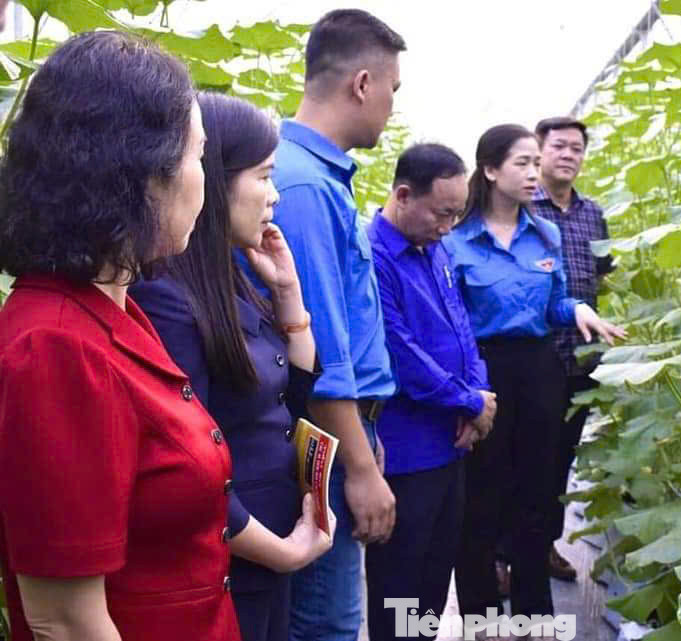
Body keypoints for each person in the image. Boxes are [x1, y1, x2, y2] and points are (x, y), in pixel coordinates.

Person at [0, 31, 241, 640]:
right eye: (197, 156)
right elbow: (65, 620)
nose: (202, 181)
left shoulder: (110, 308)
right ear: (141, 174)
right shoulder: (55, 347)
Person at [130, 93, 335, 641]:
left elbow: (293, 398)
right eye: (264, 177)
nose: (273, 197)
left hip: (269, 544)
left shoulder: (231, 277)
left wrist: (288, 294)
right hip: (232, 556)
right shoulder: (166, 298)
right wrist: (281, 552)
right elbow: (185, 467)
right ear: (213, 179)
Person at [444, 124, 625, 632]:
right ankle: (481, 617)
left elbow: (555, 303)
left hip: (540, 372)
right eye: (522, 163)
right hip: (482, 374)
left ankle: (533, 617)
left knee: (535, 497)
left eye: (532, 163)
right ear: (490, 170)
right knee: (480, 504)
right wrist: (465, 396)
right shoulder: (456, 242)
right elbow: (452, 326)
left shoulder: (543, 234)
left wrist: (580, 310)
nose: (532, 173)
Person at [262, 9, 405, 641]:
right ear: (364, 82)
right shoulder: (304, 186)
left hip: (339, 432)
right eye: (394, 91)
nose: (392, 108)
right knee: (327, 624)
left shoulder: (307, 174)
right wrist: (361, 470)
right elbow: (316, 355)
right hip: (323, 438)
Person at [365, 143, 497, 641]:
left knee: (435, 578)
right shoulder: (375, 255)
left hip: (451, 445)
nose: (449, 225)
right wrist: (467, 402)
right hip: (407, 454)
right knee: (399, 586)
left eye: (457, 214)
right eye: (442, 213)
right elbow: (399, 350)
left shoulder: (435, 248)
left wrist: (480, 394)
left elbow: (461, 327)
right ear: (403, 195)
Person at [529, 116, 616, 582]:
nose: (568, 155)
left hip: (580, 355)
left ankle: (545, 545)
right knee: (524, 457)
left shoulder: (592, 212)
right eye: (559, 146)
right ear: (539, 152)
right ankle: (507, 554)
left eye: (576, 149)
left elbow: (601, 271)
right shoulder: (524, 206)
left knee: (563, 455)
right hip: (534, 353)